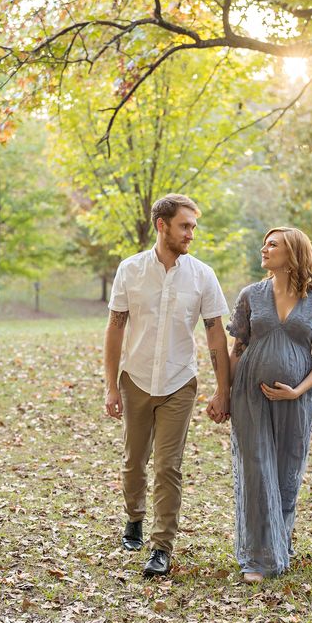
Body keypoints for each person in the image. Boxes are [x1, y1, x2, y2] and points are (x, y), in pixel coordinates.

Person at [104, 194, 230, 578]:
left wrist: (222, 389)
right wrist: (111, 386)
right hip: (136, 379)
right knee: (133, 462)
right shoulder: (130, 270)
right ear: (162, 225)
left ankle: (161, 546)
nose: (191, 233)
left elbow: (215, 334)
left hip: (179, 382)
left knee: (168, 467)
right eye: (185, 226)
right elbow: (115, 327)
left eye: (193, 226)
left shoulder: (202, 275)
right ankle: (134, 519)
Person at [227, 226, 312, 583]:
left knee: (286, 474)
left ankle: (280, 541)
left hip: (296, 401)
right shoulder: (250, 295)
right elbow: (237, 349)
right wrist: (224, 393)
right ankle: (258, 559)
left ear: (292, 254)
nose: (264, 248)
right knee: (257, 470)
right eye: (265, 242)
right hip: (250, 395)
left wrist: (297, 390)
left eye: (272, 244)